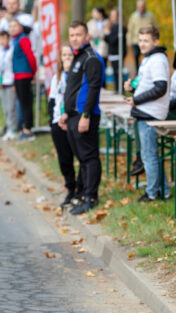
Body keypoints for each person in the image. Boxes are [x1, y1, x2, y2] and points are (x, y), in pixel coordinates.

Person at [61, 21, 104, 215]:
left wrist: (85, 116)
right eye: (72, 35)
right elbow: (73, 89)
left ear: (87, 36)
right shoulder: (77, 57)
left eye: (78, 35)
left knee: (89, 157)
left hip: (85, 117)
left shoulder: (91, 58)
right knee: (82, 159)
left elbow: (93, 89)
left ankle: (91, 196)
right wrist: (66, 112)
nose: (75, 38)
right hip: (72, 116)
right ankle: (83, 194)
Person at [124, 25, 170, 202]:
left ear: (156, 41)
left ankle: (152, 193)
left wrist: (136, 100)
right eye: (140, 40)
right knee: (151, 155)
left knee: (148, 156)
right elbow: (146, 83)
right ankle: (164, 191)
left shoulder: (158, 59)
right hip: (144, 111)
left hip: (150, 113)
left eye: (146, 40)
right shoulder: (148, 58)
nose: (142, 44)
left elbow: (160, 87)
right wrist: (132, 87)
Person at [48, 44, 83, 208]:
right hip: (58, 122)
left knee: (80, 155)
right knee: (64, 159)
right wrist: (53, 122)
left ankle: (81, 189)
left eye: (70, 55)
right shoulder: (57, 77)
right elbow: (52, 100)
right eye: (64, 56)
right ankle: (70, 187)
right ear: (60, 59)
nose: (67, 58)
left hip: (73, 121)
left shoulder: (78, 76)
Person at [10, 18, 36, 141]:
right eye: (10, 26)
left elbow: (31, 56)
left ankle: (28, 130)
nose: (12, 29)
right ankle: (25, 128)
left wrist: (33, 72)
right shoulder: (15, 40)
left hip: (24, 75)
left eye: (15, 26)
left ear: (20, 27)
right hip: (18, 76)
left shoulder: (23, 39)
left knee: (26, 103)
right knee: (22, 102)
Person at [127, 0, 158, 74]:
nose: (141, 8)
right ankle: (137, 72)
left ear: (145, 7)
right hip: (136, 40)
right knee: (136, 57)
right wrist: (129, 41)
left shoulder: (150, 16)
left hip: (148, 40)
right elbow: (130, 30)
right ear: (137, 7)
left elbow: (155, 27)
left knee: (147, 56)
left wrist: (155, 38)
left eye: (142, 7)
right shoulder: (133, 16)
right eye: (139, 7)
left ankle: (147, 71)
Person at [104, 8, 127, 93]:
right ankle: (117, 89)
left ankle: (120, 89)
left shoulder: (120, 27)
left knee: (118, 72)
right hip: (112, 53)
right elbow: (107, 40)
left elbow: (113, 40)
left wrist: (107, 34)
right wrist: (106, 34)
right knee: (115, 72)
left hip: (118, 53)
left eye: (114, 15)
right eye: (111, 16)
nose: (112, 17)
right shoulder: (112, 26)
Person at [0, 30, 17, 141]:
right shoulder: (1, 51)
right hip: (2, 83)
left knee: (11, 108)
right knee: (5, 108)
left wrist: (15, 82)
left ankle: (13, 129)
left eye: (4, 38)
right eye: (1, 39)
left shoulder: (12, 50)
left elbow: (14, 66)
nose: (2, 41)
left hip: (11, 82)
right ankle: (8, 128)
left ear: (8, 39)